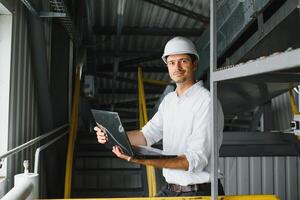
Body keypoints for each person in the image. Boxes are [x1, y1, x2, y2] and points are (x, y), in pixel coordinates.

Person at [94, 36, 225, 196]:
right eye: (171, 62)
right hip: (171, 189)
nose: (177, 67)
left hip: (200, 191)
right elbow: (146, 135)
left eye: (183, 61)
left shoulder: (206, 101)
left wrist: (139, 159)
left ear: (194, 63)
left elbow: (193, 160)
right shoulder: (169, 101)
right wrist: (111, 135)